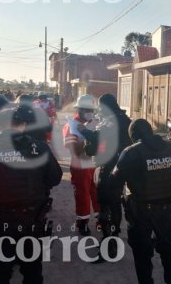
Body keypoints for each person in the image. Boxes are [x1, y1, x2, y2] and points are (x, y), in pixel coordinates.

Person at [0, 106, 63, 284]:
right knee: (32, 272)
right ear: (23, 125)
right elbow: (55, 178)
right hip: (31, 223)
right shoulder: (39, 148)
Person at [112, 119, 171, 284]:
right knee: (167, 248)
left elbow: (115, 180)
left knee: (142, 253)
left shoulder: (131, 152)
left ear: (133, 136)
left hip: (141, 211)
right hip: (167, 208)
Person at [79, 94, 131, 258]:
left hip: (108, 167)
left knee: (107, 204)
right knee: (115, 203)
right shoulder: (125, 118)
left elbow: (99, 136)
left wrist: (85, 131)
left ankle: (109, 244)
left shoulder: (110, 121)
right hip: (122, 166)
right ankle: (113, 238)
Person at [63, 94, 100, 236]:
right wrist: (84, 135)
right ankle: (83, 223)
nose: (90, 112)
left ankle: (100, 220)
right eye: (86, 109)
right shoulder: (71, 125)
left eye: (92, 109)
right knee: (82, 194)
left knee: (97, 193)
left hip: (95, 164)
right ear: (79, 109)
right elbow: (71, 147)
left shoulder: (95, 121)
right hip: (80, 164)